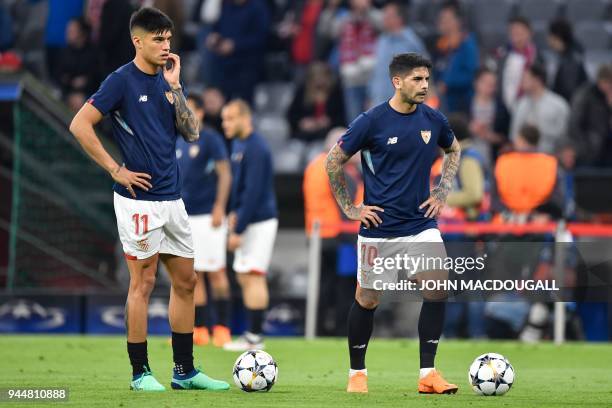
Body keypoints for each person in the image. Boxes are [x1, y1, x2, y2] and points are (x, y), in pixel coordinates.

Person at [69, 7, 229, 392]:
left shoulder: (167, 81)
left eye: (169, 38)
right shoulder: (120, 81)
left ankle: (184, 372)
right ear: (137, 41)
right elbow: (80, 124)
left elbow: (191, 133)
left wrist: (175, 87)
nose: (166, 45)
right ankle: (140, 373)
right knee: (143, 282)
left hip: (172, 199)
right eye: (158, 39)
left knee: (187, 282)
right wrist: (115, 169)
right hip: (137, 200)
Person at [325, 53, 461, 394]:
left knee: (438, 286)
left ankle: (428, 373)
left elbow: (454, 150)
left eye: (427, 79)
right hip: (379, 229)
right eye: (417, 79)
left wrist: (442, 191)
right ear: (397, 82)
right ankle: (358, 373)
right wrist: (351, 208)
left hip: (420, 224)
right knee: (368, 299)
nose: (425, 85)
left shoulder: (433, 119)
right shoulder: (371, 122)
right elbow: (333, 161)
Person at [220, 99, 278, 351]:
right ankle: (251, 335)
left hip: (259, 220)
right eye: (224, 119)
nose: (226, 124)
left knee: (254, 274)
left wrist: (238, 228)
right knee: (245, 276)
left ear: (246, 118)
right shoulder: (238, 144)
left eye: (231, 119)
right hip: (246, 218)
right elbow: (239, 188)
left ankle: (255, 338)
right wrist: (233, 213)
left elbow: (253, 192)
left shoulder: (257, 148)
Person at [176, 93, 232, 347]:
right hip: (184, 215)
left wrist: (220, 206)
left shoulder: (211, 139)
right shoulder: (177, 139)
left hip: (209, 216)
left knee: (217, 272)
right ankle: (199, 328)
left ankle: (222, 327)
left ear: (199, 112)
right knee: (193, 273)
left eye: (190, 109)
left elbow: (225, 173)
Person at [509, 64, 570, 155]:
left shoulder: (559, 105)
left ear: (537, 80)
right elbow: (513, 134)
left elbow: (564, 135)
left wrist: (540, 129)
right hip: (524, 161)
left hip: (550, 159)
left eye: (526, 78)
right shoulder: (520, 104)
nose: (522, 82)